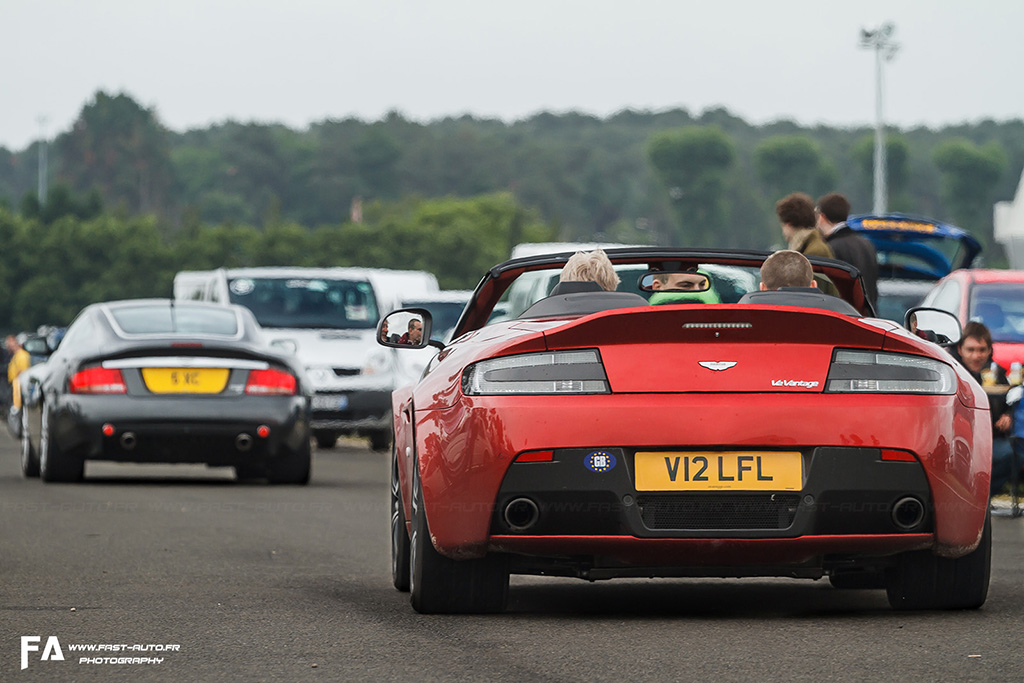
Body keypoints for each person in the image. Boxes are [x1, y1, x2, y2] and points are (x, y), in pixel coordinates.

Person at [953, 322, 1014, 497]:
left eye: (981, 350)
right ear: (960, 349)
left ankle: (982, 496)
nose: (976, 355)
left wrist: (1008, 415)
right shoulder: (953, 374)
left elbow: (1012, 399)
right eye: (970, 350)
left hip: (992, 440)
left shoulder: (998, 374)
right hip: (960, 440)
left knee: (1014, 451)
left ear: (989, 351)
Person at [815, 192, 879, 306]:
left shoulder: (829, 248)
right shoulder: (866, 244)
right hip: (867, 315)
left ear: (821, 217)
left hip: (845, 315)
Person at [776, 192, 833, 259]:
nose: (783, 232)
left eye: (783, 225)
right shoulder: (811, 245)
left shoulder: (813, 252)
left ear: (789, 224)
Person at [6, 335, 31, 410]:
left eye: (10, 343)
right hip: (14, 385)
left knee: (18, 409)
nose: (8, 346)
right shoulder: (16, 355)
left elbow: (23, 371)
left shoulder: (22, 355)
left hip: (18, 385)